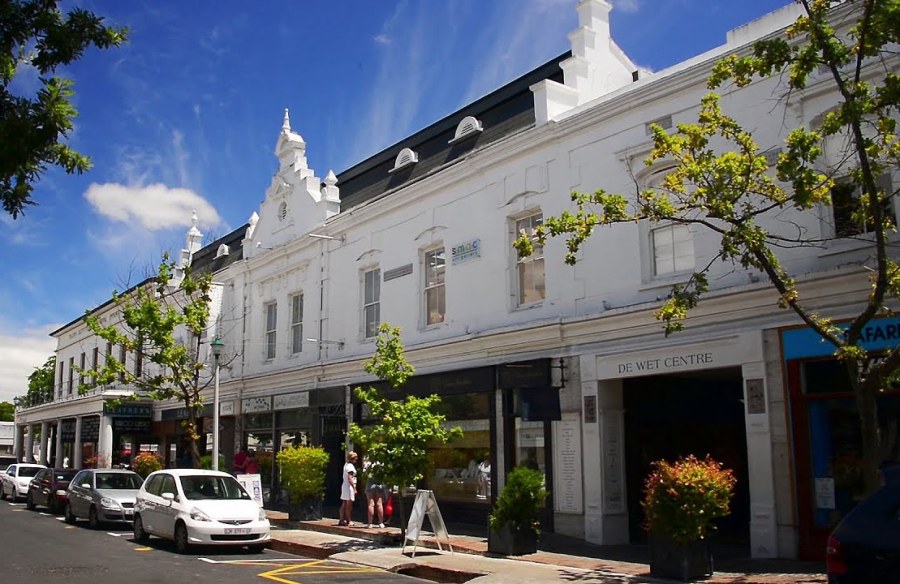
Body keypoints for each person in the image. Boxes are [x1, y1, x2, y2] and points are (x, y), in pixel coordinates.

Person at [363, 457, 385, 528]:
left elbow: (365, 475)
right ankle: (381, 522)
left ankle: (370, 523)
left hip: (370, 484)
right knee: (379, 504)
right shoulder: (381, 463)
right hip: (379, 484)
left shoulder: (368, 464)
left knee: (371, 504)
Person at [339, 451, 358, 526]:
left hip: (345, 486)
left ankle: (341, 519)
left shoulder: (346, 465)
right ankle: (348, 520)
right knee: (349, 504)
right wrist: (354, 488)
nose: (356, 459)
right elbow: (350, 478)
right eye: (355, 458)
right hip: (349, 487)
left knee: (344, 503)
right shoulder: (350, 466)